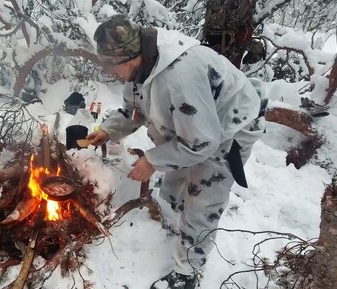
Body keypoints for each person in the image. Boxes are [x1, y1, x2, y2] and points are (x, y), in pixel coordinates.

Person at [87, 15, 267, 289]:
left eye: (113, 68)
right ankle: (177, 223)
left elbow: (202, 143)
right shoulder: (141, 64)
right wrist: (108, 130)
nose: (112, 74)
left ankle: (187, 273)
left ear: (129, 59)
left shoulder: (178, 76)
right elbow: (133, 110)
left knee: (201, 200)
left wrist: (153, 160)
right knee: (174, 185)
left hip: (228, 129)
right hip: (194, 128)